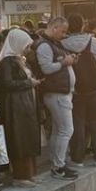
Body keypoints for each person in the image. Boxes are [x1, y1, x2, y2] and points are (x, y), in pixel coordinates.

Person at [32, 17, 79, 180]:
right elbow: (46, 68)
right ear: (54, 28)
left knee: (59, 130)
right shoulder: (45, 45)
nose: (64, 35)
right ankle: (58, 165)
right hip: (56, 93)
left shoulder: (54, 43)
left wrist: (69, 60)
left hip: (61, 92)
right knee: (67, 129)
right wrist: (64, 63)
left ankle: (57, 163)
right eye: (63, 31)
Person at [61, 15, 96, 167]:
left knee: (78, 123)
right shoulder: (93, 41)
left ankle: (77, 158)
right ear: (83, 25)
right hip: (95, 88)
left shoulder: (62, 43)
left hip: (75, 89)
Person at [0, 29, 41, 183]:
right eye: (26, 46)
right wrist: (29, 82)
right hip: (15, 107)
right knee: (20, 140)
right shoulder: (7, 62)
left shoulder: (19, 60)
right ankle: (21, 175)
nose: (28, 50)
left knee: (27, 138)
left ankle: (29, 173)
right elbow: (6, 83)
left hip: (25, 104)